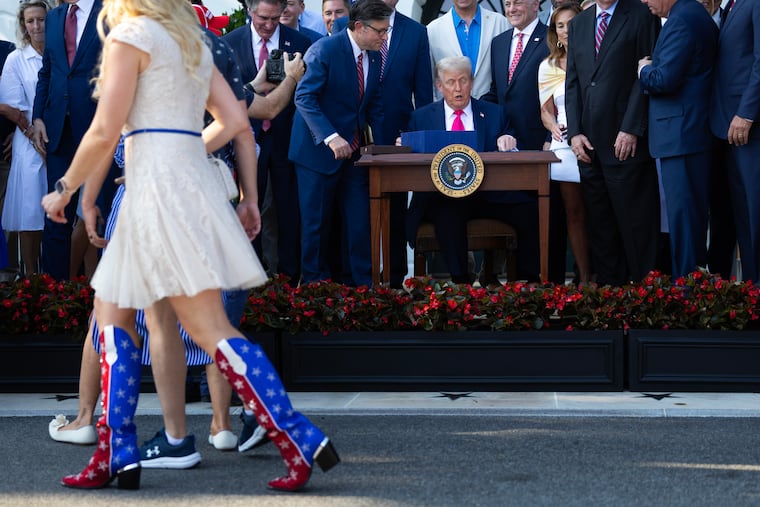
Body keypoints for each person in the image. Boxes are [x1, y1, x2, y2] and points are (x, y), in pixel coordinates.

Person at [41, 0, 337, 492]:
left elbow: (103, 128)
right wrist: (202, 165)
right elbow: (237, 122)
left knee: (178, 325)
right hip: (188, 186)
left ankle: (122, 450)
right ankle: (122, 451)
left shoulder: (130, 36)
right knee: (125, 314)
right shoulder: (190, 41)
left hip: (152, 191)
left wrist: (67, 189)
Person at [403, 56, 540, 284]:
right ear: (439, 86)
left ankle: (527, 282)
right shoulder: (421, 118)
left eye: (463, 81)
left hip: (489, 194)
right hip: (444, 196)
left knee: (529, 209)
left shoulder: (496, 113)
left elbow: (513, 142)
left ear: (472, 82)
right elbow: (411, 154)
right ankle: (462, 284)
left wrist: (509, 140)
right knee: (447, 212)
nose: (458, 88)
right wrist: (405, 146)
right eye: (450, 82)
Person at [289, 0, 389, 287]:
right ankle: (315, 292)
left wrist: (382, 146)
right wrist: (332, 138)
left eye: (386, 31)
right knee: (316, 227)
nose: (384, 38)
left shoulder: (375, 55)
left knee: (359, 222)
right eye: (380, 32)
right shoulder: (325, 50)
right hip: (316, 154)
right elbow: (304, 98)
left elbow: (374, 105)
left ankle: (363, 290)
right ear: (359, 27)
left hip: (355, 154)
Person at [564, 0, 661, 286]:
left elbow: (644, 74)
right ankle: (610, 303)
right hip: (588, 147)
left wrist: (632, 128)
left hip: (625, 142)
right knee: (601, 228)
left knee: (636, 227)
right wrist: (575, 133)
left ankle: (646, 299)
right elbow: (573, 82)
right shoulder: (578, 24)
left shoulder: (641, 15)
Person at [224, 0, 311, 282]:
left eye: (275, 18)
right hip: (245, 139)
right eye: (263, 18)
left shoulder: (300, 42)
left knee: (288, 211)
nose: (269, 24)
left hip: (287, 139)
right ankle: (252, 279)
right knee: (249, 206)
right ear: (249, 10)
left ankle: (288, 281)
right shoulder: (228, 42)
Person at [32, 0, 119, 281]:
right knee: (57, 217)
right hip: (59, 132)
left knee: (106, 214)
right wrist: (38, 117)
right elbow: (48, 72)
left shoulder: (111, 11)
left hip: (100, 131)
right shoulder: (55, 17)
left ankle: (112, 297)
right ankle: (54, 297)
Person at [484, 0, 567, 285]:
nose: (511, 8)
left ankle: (551, 285)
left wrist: (549, 138)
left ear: (535, 4)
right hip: (507, 150)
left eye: (518, 1)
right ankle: (520, 288)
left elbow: (559, 93)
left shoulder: (550, 39)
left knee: (548, 218)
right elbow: (498, 94)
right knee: (518, 218)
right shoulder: (499, 43)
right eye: (507, 3)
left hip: (542, 147)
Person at [638, 0, 717, 279]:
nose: (644, 1)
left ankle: (687, 289)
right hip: (686, 133)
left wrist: (643, 69)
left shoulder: (682, 20)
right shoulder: (691, 14)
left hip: (682, 134)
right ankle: (691, 286)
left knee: (684, 218)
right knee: (687, 217)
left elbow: (663, 79)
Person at [537, 1, 591, 285]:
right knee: (574, 213)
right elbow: (545, 111)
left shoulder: (595, 57)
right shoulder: (547, 66)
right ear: (554, 31)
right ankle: (583, 277)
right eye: (560, 25)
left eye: (571, 23)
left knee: (600, 212)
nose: (566, 30)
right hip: (564, 147)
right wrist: (553, 127)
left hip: (595, 142)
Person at [709, 0, 760, 283]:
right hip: (727, 129)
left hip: (749, 127)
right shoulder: (732, 5)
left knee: (754, 214)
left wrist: (746, 113)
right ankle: (751, 293)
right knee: (742, 216)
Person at [0, 1, 50, 275]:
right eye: (30, 21)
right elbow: (15, 109)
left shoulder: (60, 54)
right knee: (31, 213)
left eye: (40, 20)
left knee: (57, 216)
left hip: (61, 142)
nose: (36, 26)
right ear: (24, 25)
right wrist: (37, 142)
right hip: (29, 145)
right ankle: (31, 280)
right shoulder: (16, 59)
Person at [427, 0, 509, 101]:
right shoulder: (432, 30)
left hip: (493, 109)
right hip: (450, 112)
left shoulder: (501, 23)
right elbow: (429, 80)